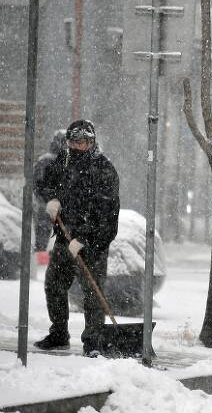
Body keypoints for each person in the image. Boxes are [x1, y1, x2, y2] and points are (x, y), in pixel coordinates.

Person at [33, 119, 120, 355]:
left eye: (83, 142)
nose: (78, 146)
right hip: (64, 237)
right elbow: (43, 183)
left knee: (92, 293)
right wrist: (51, 199)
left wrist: (84, 240)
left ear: (92, 142)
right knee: (54, 286)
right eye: (74, 141)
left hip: (92, 243)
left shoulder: (104, 169)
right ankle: (59, 333)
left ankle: (93, 342)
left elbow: (108, 216)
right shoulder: (63, 161)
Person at [33, 130, 67, 264]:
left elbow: (36, 184)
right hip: (52, 206)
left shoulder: (45, 161)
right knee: (50, 234)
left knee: (44, 235)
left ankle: (41, 263)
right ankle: (46, 262)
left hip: (48, 206)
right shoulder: (53, 161)